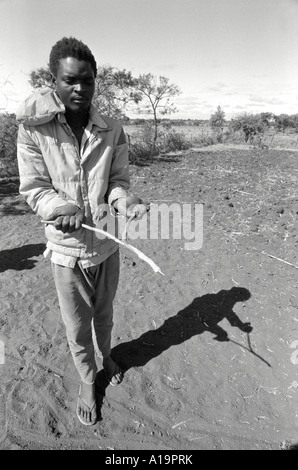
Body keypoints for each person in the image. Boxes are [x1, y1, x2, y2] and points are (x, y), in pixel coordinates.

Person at [17, 37, 148, 426]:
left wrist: (125, 202)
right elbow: (34, 188)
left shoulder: (112, 130)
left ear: (96, 81)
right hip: (66, 251)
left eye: (87, 81)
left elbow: (118, 181)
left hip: (107, 243)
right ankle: (88, 379)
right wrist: (60, 208)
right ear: (53, 80)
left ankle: (106, 356)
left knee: (104, 315)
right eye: (70, 80)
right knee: (77, 325)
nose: (80, 89)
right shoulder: (34, 131)